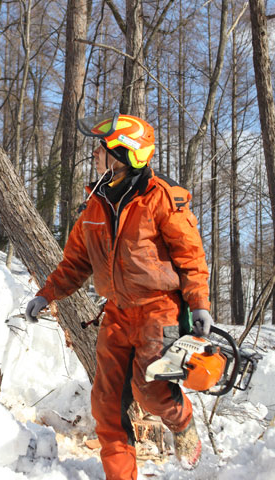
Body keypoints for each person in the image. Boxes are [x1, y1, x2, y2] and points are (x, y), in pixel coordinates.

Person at [25, 113, 213, 480]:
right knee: (106, 406)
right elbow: (76, 262)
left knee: (153, 393)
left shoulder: (162, 199)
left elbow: (191, 257)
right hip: (116, 315)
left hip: (164, 313)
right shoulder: (95, 204)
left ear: (124, 155)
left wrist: (200, 304)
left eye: (103, 148)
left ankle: (183, 420)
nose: (95, 154)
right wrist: (47, 294)